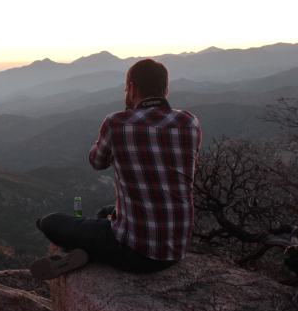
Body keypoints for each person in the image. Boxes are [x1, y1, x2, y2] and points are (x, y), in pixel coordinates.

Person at [31, 59, 202, 279]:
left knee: (49, 222)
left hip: (135, 252)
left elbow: (97, 161)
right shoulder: (189, 122)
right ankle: (94, 247)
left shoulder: (117, 123)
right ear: (166, 89)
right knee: (106, 212)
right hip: (176, 250)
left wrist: (113, 142)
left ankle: (88, 253)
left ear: (131, 88)